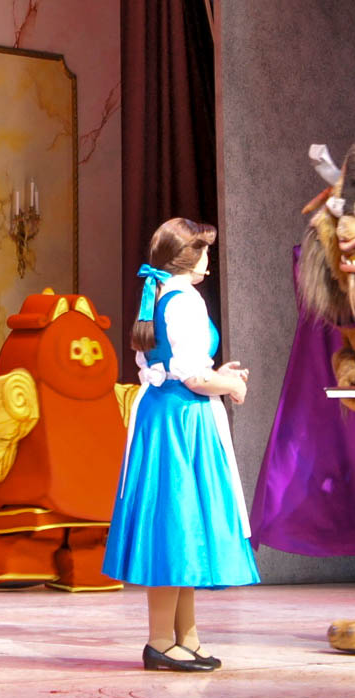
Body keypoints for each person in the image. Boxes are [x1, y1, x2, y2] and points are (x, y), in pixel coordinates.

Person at [102, 217, 259, 672]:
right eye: (204, 250)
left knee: (182, 525)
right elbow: (192, 378)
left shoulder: (161, 294)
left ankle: (185, 636)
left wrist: (216, 375)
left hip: (166, 415)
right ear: (189, 257)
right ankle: (159, 641)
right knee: (174, 525)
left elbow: (179, 366)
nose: (209, 258)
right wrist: (230, 385)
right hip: (180, 421)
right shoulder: (184, 299)